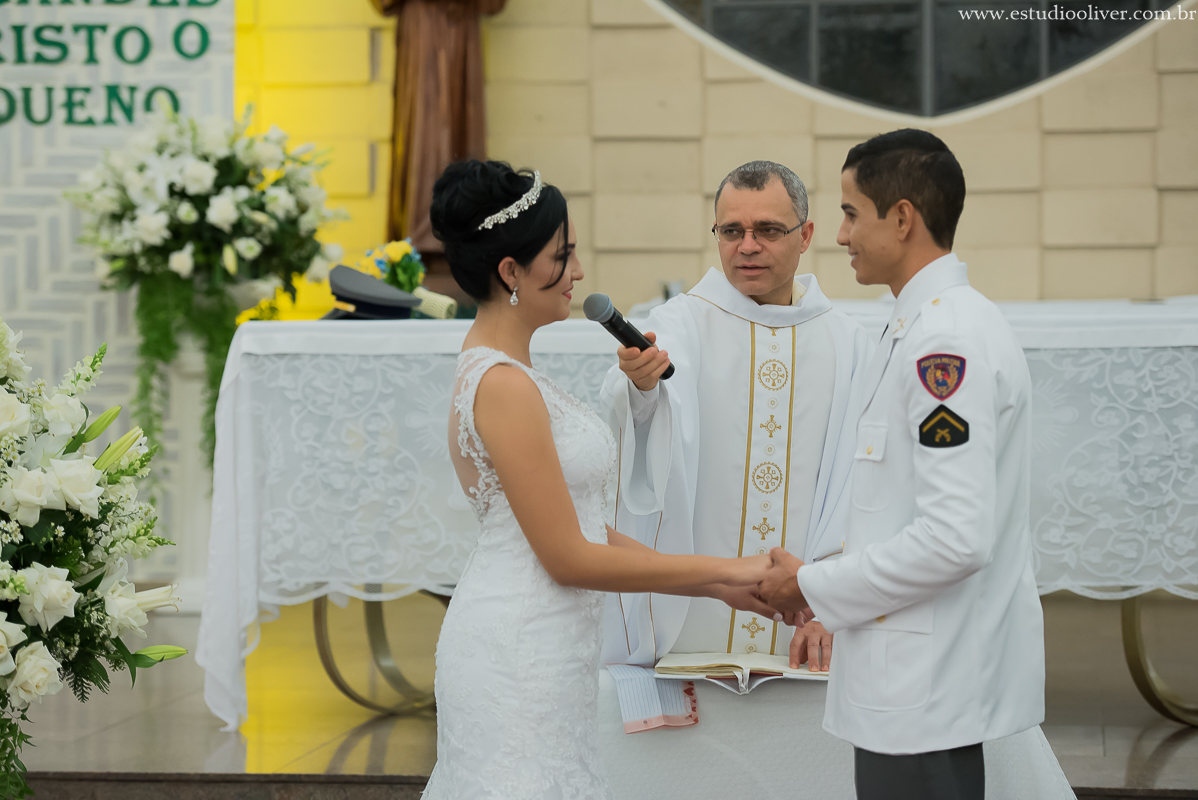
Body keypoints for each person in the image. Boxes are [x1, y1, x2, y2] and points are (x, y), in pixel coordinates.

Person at [425, 160, 774, 800]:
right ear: (511, 272)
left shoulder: (512, 373)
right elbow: (565, 556)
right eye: (564, 255)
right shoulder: (502, 385)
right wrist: (720, 574)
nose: (580, 273)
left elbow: (583, 524)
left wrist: (719, 580)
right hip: (517, 652)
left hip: (547, 648)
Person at [758, 129, 1047, 800]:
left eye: (852, 212)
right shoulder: (919, 324)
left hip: (925, 680)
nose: (838, 234)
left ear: (904, 217)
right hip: (915, 671)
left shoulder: (944, 341)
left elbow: (955, 538)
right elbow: (894, 507)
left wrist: (816, 586)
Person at [599, 161, 872, 671]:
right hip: (691, 625)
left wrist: (836, 601)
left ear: (806, 234)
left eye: (768, 230)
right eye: (731, 231)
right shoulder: (680, 322)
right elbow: (635, 421)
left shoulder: (848, 343)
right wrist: (640, 387)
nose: (747, 246)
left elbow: (859, 483)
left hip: (809, 628)